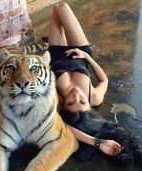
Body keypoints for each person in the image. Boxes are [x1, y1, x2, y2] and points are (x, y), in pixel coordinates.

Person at [47, 2, 124, 156]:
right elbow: (104, 81)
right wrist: (87, 57)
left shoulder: (58, 103)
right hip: (80, 50)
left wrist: (95, 142)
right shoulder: (94, 97)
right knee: (62, 6)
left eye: (71, 102)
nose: (76, 95)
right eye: (82, 101)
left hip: (55, 54)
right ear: (88, 104)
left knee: (55, 9)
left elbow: (61, 126)